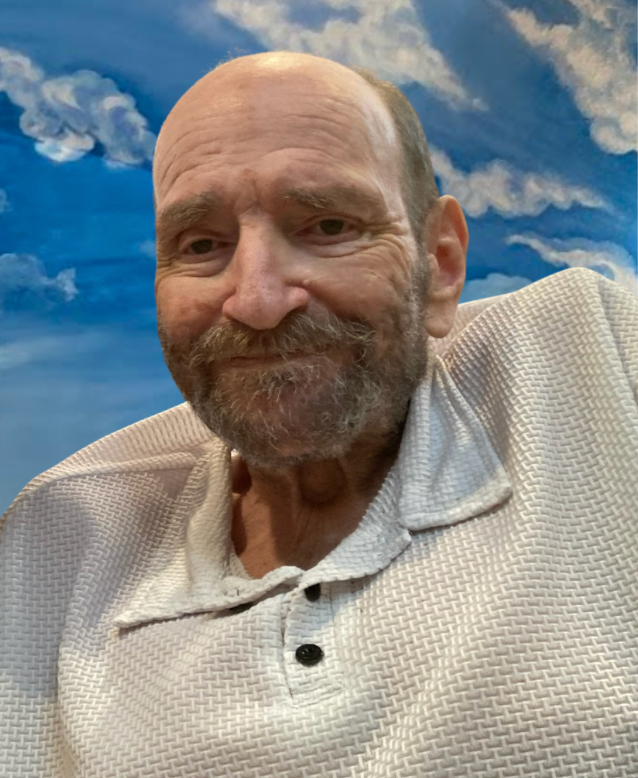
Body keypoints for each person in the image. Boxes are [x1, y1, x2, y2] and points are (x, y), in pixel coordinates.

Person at [1, 51, 636, 778]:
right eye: (201, 245)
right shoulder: (56, 539)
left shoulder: (598, 361)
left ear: (441, 262)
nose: (258, 301)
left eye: (328, 225)